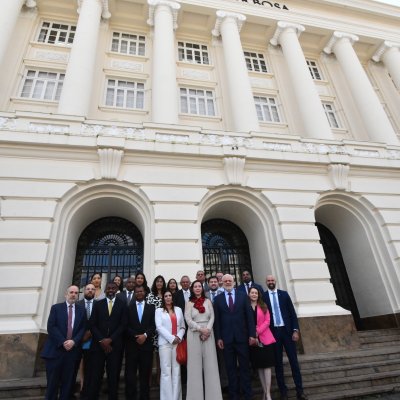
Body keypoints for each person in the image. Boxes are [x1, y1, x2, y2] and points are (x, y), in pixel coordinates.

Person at [263, 275, 308, 400]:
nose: (271, 282)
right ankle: (283, 392)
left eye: (272, 280)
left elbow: (292, 313)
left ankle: (300, 391)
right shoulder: (264, 297)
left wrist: (295, 330)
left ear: (275, 281)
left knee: (294, 362)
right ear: (266, 282)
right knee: (278, 364)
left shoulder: (284, 295)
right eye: (268, 281)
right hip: (274, 333)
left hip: (287, 332)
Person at [213, 274, 257, 400]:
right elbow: (218, 321)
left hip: (242, 338)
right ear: (222, 282)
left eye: (229, 280)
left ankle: (248, 395)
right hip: (226, 340)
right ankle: (234, 395)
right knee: (230, 369)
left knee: (244, 368)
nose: (227, 282)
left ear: (233, 282)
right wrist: (219, 338)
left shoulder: (243, 296)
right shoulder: (218, 299)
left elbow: (249, 317)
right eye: (225, 281)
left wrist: (252, 335)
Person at [41, 285, 86, 400]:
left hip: (72, 353)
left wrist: (74, 341)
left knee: (68, 384)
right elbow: (51, 327)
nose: (73, 294)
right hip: (55, 351)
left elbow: (82, 328)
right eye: (71, 292)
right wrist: (63, 341)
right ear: (66, 294)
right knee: (52, 384)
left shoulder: (82, 310)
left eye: (76, 293)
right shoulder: (56, 308)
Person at [88, 282, 127, 400]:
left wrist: (110, 339)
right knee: (96, 374)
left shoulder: (122, 304)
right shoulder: (98, 304)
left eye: (113, 288)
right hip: (98, 346)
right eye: (109, 288)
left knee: (113, 375)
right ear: (105, 290)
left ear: (116, 290)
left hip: (115, 346)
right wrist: (101, 340)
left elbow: (123, 325)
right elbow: (92, 324)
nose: (111, 290)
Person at [185, 281, 222, 400]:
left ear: (202, 288)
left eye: (199, 286)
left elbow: (212, 316)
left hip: (208, 333)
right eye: (195, 286)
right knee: (194, 367)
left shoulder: (208, 301)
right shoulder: (188, 303)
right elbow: (188, 319)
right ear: (192, 289)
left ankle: (214, 396)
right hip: (194, 334)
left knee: (211, 366)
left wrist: (208, 330)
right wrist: (200, 329)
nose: (197, 288)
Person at [125, 285, 156, 400]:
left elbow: (153, 325)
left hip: (146, 346)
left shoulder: (151, 308)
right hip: (132, 346)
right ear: (134, 293)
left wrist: (145, 335)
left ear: (145, 293)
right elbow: (125, 325)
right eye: (137, 292)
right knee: (130, 375)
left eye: (141, 291)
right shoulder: (129, 308)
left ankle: (145, 397)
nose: (139, 293)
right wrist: (135, 336)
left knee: (145, 374)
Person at [155, 290, 186, 400]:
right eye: (166, 296)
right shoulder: (159, 311)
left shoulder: (178, 310)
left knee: (176, 371)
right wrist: (171, 338)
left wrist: (178, 337)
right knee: (166, 372)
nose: (168, 297)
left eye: (169, 296)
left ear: (172, 298)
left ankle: (176, 397)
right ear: (163, 298)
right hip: (165, 344)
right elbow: (159, 327)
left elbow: (183, 326)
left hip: (177, 343)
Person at [248, 287, 276, 400]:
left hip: (265, 338)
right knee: (259, 367)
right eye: (252, 293)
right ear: (249, 294)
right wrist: (252, 333)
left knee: (267, 366)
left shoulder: (263, 305)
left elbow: (268, 321)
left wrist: (257, 331)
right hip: (253, 341)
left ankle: (268, 393)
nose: (254, 294)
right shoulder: (246, 306)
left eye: (256, 293)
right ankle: (264, 391)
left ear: (258, 295)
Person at [75, 283, 96, 400]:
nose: (90, 291)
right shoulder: (77, 304)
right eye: (88, 289)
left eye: (92, 289)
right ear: (84, 291)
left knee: (89, 366)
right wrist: (81, 336)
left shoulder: (98, 305)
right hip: (78, 340)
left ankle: (85, 389)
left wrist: (90, 333)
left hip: (93, 340)